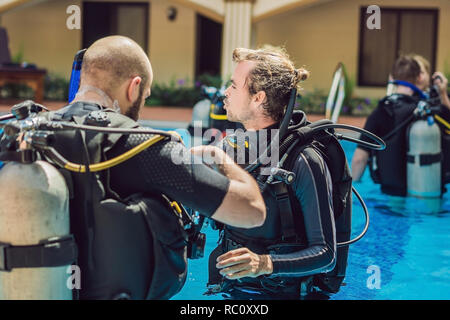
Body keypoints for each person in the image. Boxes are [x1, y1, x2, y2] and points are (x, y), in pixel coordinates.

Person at [0, 36, 265, 299]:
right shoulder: (143, 146)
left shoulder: (25, 134)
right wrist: (221, 159)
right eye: (145, 97)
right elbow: (252, 211)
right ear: (134, 87)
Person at [206, 46, 348, 300]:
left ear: (258, 97)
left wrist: (264, 264)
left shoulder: (303, 160)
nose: (226, 92)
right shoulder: (232, 149)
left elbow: (326, 254)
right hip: (232, 291)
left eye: (234, 86)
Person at [351, 54, 450, 196]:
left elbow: (360, 159)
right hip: (430, 192)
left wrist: (351, 191)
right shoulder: (431, 110)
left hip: (392, 195)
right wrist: (443, 93)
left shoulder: (381, 111)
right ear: (419, 78)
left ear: (392, 78)